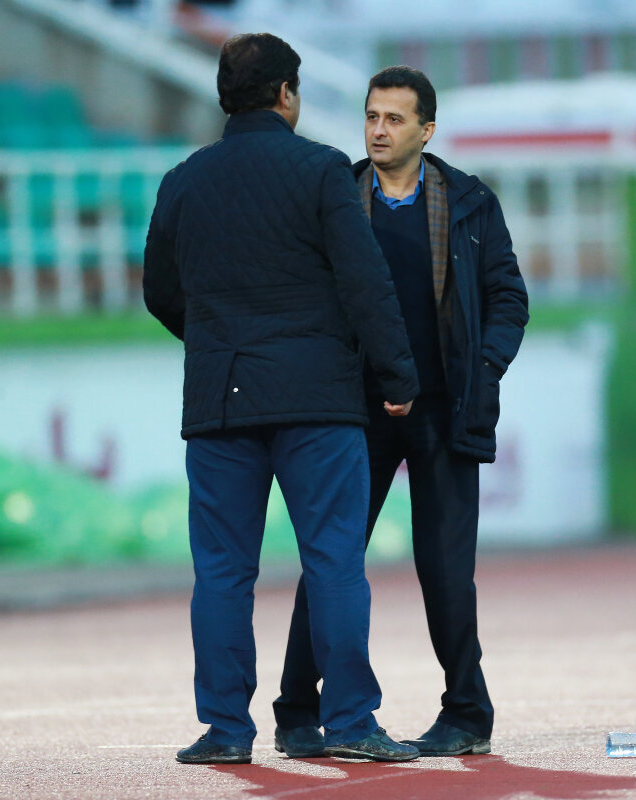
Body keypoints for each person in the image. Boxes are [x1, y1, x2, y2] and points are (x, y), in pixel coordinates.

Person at [143, 34, 422, 765]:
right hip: (316, 399)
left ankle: (225, 731)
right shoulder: (321, 170)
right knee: (334, 562)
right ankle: (351, 721)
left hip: (220, 401)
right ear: (286, 94)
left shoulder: (182, 181)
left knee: (222, 571)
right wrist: (397, 377)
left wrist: (216, 343)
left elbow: (160, 292)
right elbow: (365, 281)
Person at [273, 66, 529, 757]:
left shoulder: (470, 203)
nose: (378, 131)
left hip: (445, 409)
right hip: (352, 412)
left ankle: (467, 714)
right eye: (370, 117)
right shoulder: (333, 197)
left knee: (445, 569)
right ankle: (296, 711)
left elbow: (509, 298)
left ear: (427, 130)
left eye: (393, 119)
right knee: (331, 560)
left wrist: (482, 367)